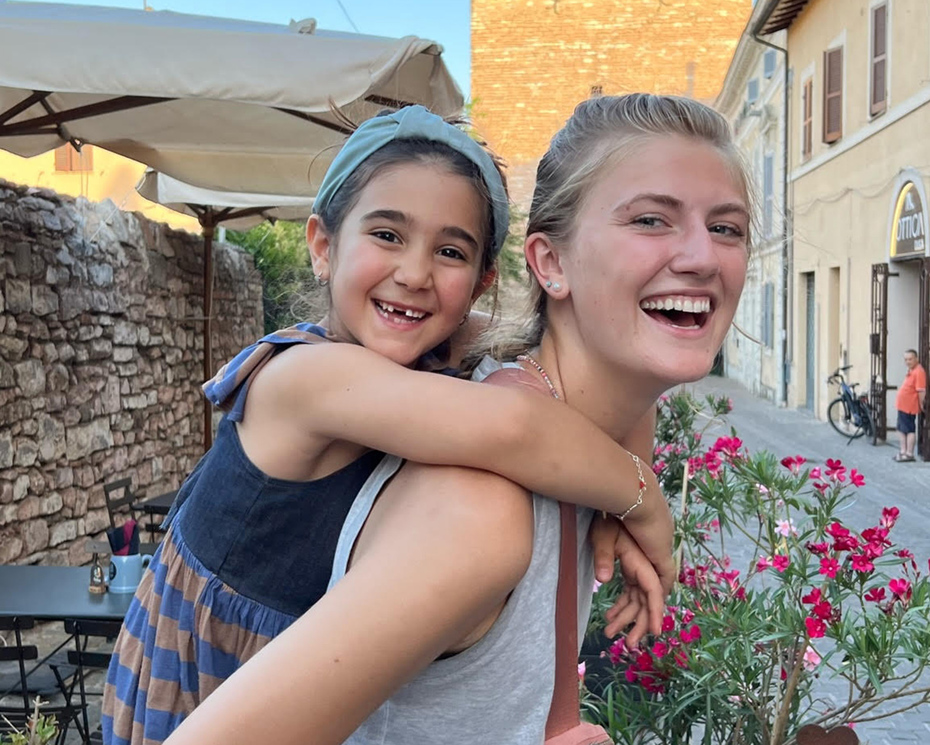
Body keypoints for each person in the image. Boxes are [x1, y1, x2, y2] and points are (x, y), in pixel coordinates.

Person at [162, 92, 751, 745]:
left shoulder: (464, 365)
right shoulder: (326, 393)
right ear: (548, 263)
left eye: (727, 227)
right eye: (650, 219)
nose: (415, 274)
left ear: (477, 283)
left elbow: (546, 377)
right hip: (196, 667)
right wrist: (643, 500)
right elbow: (513, 425)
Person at [893, 348, 927, 462]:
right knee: (901, 429)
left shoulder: (919, 371)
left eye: (910, 359)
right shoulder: (912, 370)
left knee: (909, 430)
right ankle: (903, 452)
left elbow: (921, 390)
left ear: (916, 359)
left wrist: (922, 404)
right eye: (906, 359)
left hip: (909, 406)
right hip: (903, 405)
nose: (908, 362)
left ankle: (909, 453)